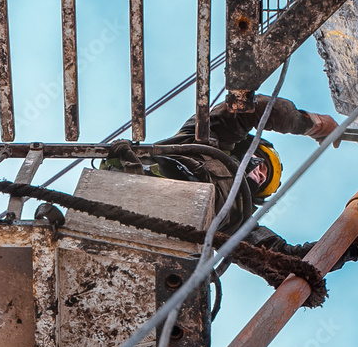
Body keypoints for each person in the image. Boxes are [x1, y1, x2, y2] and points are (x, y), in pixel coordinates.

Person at [103, 95, 338, 257]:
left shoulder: (235, 219)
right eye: (261, 164)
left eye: (263, 182)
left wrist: (345, 247)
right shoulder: (203, 139)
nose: (259, 174)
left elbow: (278, 256)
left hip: (154, 245)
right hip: (129, 186)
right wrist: (310, 123)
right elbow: (247, 109)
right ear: (246, 149)